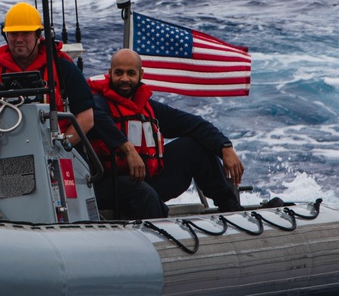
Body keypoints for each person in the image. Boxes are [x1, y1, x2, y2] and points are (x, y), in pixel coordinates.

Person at [88, 48, 244, 218]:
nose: (124, 79)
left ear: (140, 75)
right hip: (108, 185)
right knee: (144, 193)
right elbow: (95, 117)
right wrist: (129, 150)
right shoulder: (98, 102)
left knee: (194, 147)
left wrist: (225, 147)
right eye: (119, 73)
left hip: (146, 179)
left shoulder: (148, 108)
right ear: (110, 73)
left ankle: (230, 207)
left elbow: (194, 124)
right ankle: (159, 237)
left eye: (130, 73)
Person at [0, 2, 94, 145]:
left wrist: (61, 146)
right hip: (7, 151)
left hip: (58, 153)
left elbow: (87, 118)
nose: (19, 39)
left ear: (38, 36)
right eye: (13, 33)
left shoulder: (63, 69)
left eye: (26, 33)